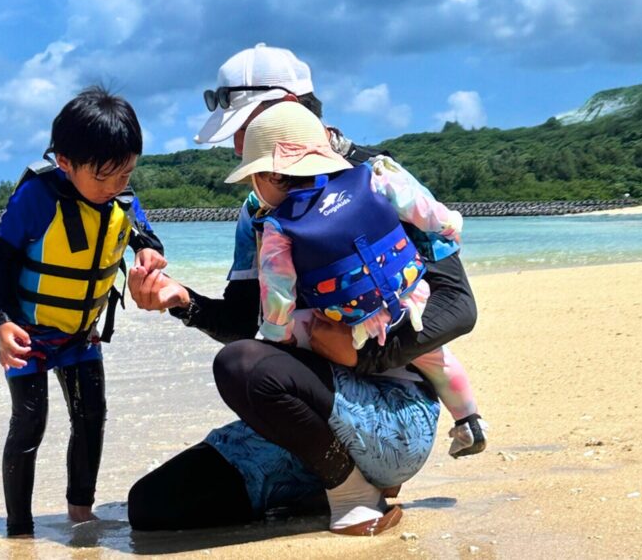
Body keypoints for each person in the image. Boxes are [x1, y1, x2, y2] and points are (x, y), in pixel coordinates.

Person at [126, 44, 476, 534]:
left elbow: (459, 308)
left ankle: (352, 493)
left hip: (396, 416)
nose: (235, 149)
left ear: (288, 107)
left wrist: (363, 358)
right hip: (311, 414)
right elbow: (250, 328)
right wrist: (184, 303)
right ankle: (331, 479)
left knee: (238, 364)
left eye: (243, 131)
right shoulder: (258, 212)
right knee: (151, 507)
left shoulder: (377, 179)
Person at [224, 101, 486, 458]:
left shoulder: (277, 228)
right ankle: (468, 419)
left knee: (289, 333)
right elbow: (421, 208)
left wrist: (277, 335)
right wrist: (449, 224)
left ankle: (320, 419)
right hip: (411, 301)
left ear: (270, 177)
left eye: (253, 178)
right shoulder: (374, 174)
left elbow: (279, 294)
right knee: (436, 358)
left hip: (349, 322)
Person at [0, 86, 165, 537]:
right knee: (29, 423)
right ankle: (19, 528)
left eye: (124, 175)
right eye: (103, 178)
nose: (114, 188)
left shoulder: (123, 199)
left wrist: (150, 256)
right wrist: (1, 323)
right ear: (65, 161)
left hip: (81, 335)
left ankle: (80, 511)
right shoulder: (37, 197)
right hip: (29, 333)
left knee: (91, 417)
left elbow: (147, 238)